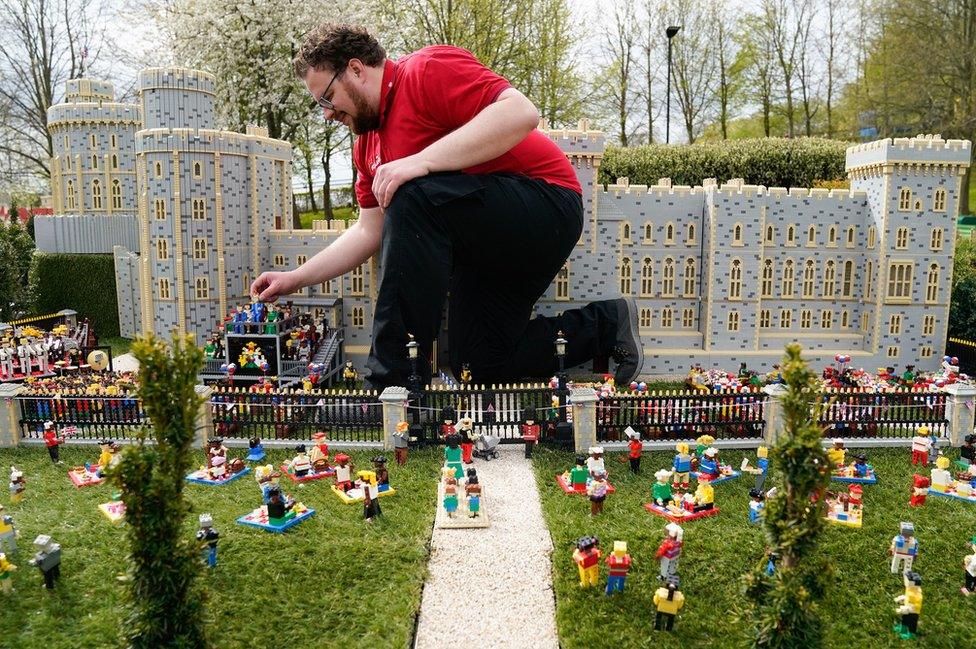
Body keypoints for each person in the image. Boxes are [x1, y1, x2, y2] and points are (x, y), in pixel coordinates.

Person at [250, 23, 642, 390]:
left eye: (327, 97)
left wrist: (420, 161)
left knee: (410, 191)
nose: (327, 113)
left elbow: (521, 113)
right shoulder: (366, 147)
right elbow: (369, 231)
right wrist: (295, 278)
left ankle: (391, 386)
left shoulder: (424, 72)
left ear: (355, 69)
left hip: (545, 206)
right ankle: (608, 324)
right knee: (479, 363)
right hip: (480, 242)